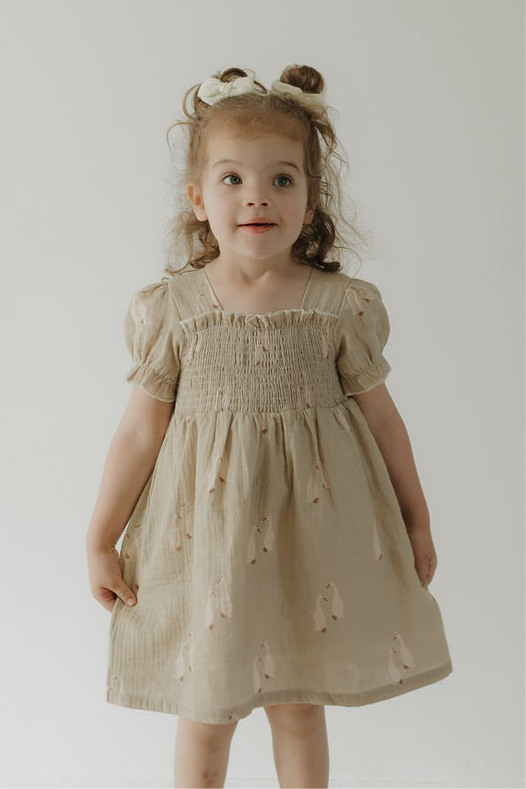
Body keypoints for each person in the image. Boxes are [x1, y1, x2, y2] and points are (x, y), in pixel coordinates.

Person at [86, 64, 453, 789]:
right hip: (207, 545)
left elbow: (384, 418)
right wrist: (101, 536)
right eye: (232, 180)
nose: (257, 195)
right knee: (206, 710)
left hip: (308, 545)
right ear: (197, 199)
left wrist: (417, 520)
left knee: (297, 707)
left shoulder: (339, 306)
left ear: (312, 201)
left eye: (282, 180)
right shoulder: (174, 310)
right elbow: (137, 434)